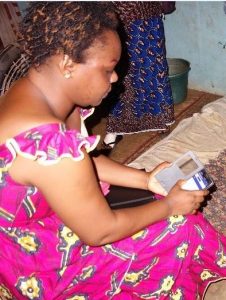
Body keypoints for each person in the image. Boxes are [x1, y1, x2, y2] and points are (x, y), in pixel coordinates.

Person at [0, 2, 225, 299]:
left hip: (31, 224)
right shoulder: (49, 145)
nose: (116, 77)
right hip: (37, 265)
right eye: (108, 69)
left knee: (157, 196)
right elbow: (100, 232)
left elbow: (81, 161)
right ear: (68, 65)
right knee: (183, 226)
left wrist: (145, 179)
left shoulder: (32, 94)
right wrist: (171, 207)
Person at [104, 1, 175, 148]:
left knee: (152, 67)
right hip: (115, 16)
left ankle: (159, 119)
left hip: (147, 13)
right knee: (119, 71)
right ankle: (115, 127)